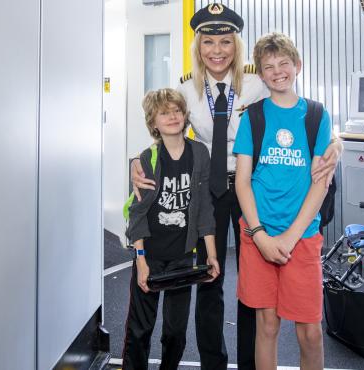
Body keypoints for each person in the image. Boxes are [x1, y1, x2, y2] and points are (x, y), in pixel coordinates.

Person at [131, 4, 341, 370]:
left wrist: (336, 144)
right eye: (209, 41)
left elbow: (299, 110)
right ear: (198, 47)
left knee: (253, 286)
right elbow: (165, 129)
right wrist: (136, 161)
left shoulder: (258, 82)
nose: (217, 50)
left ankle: (249, 363)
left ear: (236, 46)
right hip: (206, 192)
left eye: (225, 41)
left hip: (250, 188)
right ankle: (213, 363)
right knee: (210, 278)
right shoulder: (186, 88)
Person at [234, 32, 331, 370]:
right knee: (268, 324)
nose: (277, 71)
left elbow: (320, 185)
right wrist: (260, 234)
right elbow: (243, 182)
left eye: (284, 64)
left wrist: (289, 237)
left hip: (301, 238)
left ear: (297, 66)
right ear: (260, 74)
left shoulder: (317, 115)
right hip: (257, 235)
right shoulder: (253, 116)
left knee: (310, 332)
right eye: (268, 66)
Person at [122, 88, 220, 370]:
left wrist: (210, 255)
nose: (173, 116)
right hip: (150, 255)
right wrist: (140, 262)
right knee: (140, 329)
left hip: (181, 257)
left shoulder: (199, 153)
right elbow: (138, 215)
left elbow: (203, 209)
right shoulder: (148, 158)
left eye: (177, 110)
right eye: (164, 112)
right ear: (153, 122)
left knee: (176, 332)